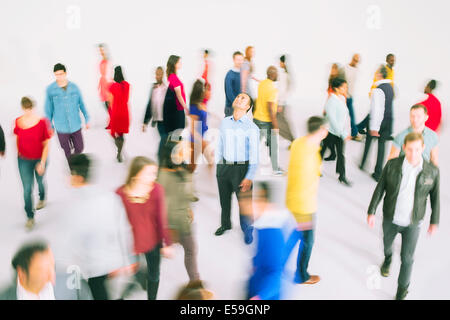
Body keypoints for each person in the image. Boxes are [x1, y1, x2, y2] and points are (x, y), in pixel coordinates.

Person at [367, 132, 439, 300]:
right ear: (404, 148)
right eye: (409, 149)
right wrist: (371, 211)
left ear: (423, 148)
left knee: (407, 258)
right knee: (386, 244)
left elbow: (435, 198)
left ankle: (402, 290)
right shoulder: (392, 165)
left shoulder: (432, 171)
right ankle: (388, 258)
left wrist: (434, 221)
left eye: (417, 149)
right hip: (391, 218)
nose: (413, 154)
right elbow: (380, 188)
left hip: (413, 223)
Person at [58, 154, 135, 300]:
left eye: (69, 174)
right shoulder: (111, 198)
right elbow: (124, 230)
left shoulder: (74, 207)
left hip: (93, 269)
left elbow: (70, 244)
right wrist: (128, 259)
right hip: (114, 263)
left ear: (77, 177)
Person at [116, 156, 173, 300]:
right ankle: (141, 278)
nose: (154, 177)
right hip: (130, 242)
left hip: (152, 241)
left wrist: (167, 243)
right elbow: (114, 223)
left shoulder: (156, 190)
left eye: (155, 173)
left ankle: (151, 297)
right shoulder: (119, 194)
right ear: (136, 174)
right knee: (135, 269)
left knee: (154, 273)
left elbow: (161, 219)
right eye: (149, 173)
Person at [285, 116, 329, 285]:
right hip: (304, 206)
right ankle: (301, 275)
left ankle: (277, 265)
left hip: (292, 200)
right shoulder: (312, 156)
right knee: (308, 241)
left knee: (296, 234)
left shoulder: (298, 143)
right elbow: (314, 174)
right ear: (321, 130)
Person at [214, 93, 259, 244]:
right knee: (224, 200)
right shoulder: (225, 122)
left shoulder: (252, 128)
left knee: (244, 203)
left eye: (243, 98)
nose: (239, 98)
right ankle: (225, 224)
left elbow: (254, 156)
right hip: (224, 167)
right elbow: (220, 144)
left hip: (241, 169)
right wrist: (218, 165)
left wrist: (249, 176)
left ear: (247, 107)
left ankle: (247, 228)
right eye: (238, 96)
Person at [158, 139, 201, 283]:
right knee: (189, 251)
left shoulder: (162, 174)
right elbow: (190, 195)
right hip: (178, 225)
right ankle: (194, 281)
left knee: (158, 253)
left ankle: (147, 275)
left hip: (171, 224)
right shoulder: (180, 175)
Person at [246, 181, 295, 300]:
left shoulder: (273, 231)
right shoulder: (262, 225)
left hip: (265, 294)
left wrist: (260, 297)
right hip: (257, 285)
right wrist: (255, 263)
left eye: (259, 199)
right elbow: (261, 252)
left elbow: (276, 274)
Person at [0, 240, 92, 300]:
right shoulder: (4, 296)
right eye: (41, 270)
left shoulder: (75, 284)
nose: (51, 276)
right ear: (22, 273)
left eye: (51, 266)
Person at [14, 97, 52, 230]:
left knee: (40, 181)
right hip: (24, 160)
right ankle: (30, 217)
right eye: (25, 109)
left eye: (29, 108)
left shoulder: (42, 123)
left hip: (39, 159)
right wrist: (19, 152)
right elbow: (18, 138)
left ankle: (42, 197)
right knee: (27, 189)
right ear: (22, 108)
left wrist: (42, 162)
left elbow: (46, 145)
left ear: (33, 108)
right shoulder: (18, 122)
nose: (27, 111)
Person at [44, 63, 90, 163]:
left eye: (61, 74)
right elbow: (48, 111)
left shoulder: (74, 88)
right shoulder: (50, 90)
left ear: (65, 73)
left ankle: (74, 160)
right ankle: (73, 169)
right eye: (57, 75)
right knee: (67, 150)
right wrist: (50, 126)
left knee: (80, 148)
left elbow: (82, 104)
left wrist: (87, 119)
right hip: (61, 128)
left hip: (75, 125)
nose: (59, 77)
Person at [359, 65, 394, 182]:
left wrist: (374, 127)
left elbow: (377, 109)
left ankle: (363, 164)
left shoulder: (377, 89)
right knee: (382, 146)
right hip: (388, 121)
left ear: (379, 75)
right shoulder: (390, 87)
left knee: (368, 141)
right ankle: (378, 172)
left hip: (379, 121)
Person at [320, 78, 352, 186]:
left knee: (341, 154)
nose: (346, 89)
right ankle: (314, 169)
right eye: (344, 87)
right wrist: (343, 134)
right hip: (330, 132)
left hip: (339, 132)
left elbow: (344, 116)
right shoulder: (331, 102)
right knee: (322, 151)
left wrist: (346, 130)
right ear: (337, 89)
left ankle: (342, 176)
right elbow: (333, 120)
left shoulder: (342, 98)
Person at [253, 66, 283, 175]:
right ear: (272, 75)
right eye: (276, 73)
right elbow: (270, 109)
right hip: (266, 121)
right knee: (273, 145)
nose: (278, 75)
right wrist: (275, 125)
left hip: (256, 118)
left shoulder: (262, 84)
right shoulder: (273, 89)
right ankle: (276, 169)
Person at [357, 54, 395, 133]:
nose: (393, 62)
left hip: (386, 94)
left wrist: (392, 93)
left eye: (394, 60)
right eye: (391, 60)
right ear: (387, 60)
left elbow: (391, 83)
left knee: (375, 112)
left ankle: (362, 127)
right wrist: (374, 93)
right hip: (378, 93)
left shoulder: (392, 70)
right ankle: (363, 128)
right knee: (376, 113)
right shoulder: (383, 69)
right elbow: (376, 81)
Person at [143, 66, 168, 163]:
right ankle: (163, 157)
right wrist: (145, 122)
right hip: (158, 121)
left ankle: (161, 157)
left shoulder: (166, 89)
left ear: (163, 75)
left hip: (167, 120)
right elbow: (150, 105)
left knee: (164, 139)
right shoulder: (153, 89)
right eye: (157, 74)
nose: (158, 76)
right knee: (163, 139)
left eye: (160, 74)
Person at [189, 79, 213, 172]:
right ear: (200, 92)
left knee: (211, 162)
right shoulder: (194, 107)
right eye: (205, 89)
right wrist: (201, 141)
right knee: (191, 168)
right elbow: (193, 130)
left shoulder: (202, 103)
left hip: (204, 138)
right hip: (196, 140)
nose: (206, 91)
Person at [108, 66, 130, 163]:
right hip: (125, 113)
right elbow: (126, 99)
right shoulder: (127, 85)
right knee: (121, 134)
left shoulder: (112, 86)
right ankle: (119, 152)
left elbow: (110, 102)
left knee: (114, 133)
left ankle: (118, 150)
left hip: (116, 113)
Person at [163, 55, 188, 135]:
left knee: (177, 134)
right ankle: (175, 147)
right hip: (178, 112)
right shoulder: (173, 77)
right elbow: (179, 95)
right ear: (174, 64)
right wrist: (186, 107)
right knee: (177, 135)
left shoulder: (172, 76)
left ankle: (175, 146)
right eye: (179, 62)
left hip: (178, 110)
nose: (180, 64)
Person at [276, 55, 295, 144]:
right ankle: (291, 139)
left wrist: (280, 103)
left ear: (283, 63)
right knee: (282, 122)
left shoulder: (284, 75)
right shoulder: (287, 74)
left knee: (280, 122)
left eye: (280, 62)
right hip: (283, 102)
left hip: (281, 103)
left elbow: (282, 90)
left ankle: (292, 139)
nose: (279, 63)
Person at [344, 54, 363, 141]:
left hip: (350, 96)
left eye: (357, 61)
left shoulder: (357, 70)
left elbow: (352, 83)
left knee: (352, 115)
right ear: (352, 59)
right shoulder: (345, 68)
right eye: (354, 60)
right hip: (343, 96)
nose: (355, 62)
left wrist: (351, 94)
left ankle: (354, 133)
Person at [224, 51, 244, 117]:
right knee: (230, 127)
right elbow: (229, 93)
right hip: (231, 108)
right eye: (238, 60)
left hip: (240, 108)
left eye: (241, 60)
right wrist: (237, 105)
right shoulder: (230, 75)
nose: (240, 62)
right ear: (234, 60)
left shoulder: (242, 74)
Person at [98, 43, 111, 128]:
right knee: (106, 103)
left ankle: (112, 122)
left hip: (108, 84)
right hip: (103, 84)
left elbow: (110, 74)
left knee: (109, 103)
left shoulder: (109, 62)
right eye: (100, 50)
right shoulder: (101, 61)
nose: (101, 52)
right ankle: (112, 121)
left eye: (102, 50)